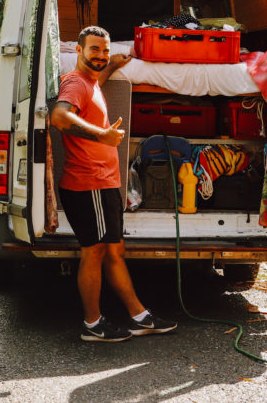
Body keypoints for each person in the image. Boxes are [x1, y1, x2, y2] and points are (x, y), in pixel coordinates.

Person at [50, 25, 177, 342]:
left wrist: (114, 64)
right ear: (78, 50)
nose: (101, 56)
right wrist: (102, 135)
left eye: (104, 50)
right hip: (87, 183)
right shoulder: (76, 84)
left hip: (104, 183)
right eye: (95, 49)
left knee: (115, 251)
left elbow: (96, 80)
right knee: (94, 253)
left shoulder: (91, 81)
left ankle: (139, 316)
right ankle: (92, 324)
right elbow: (59, 117)